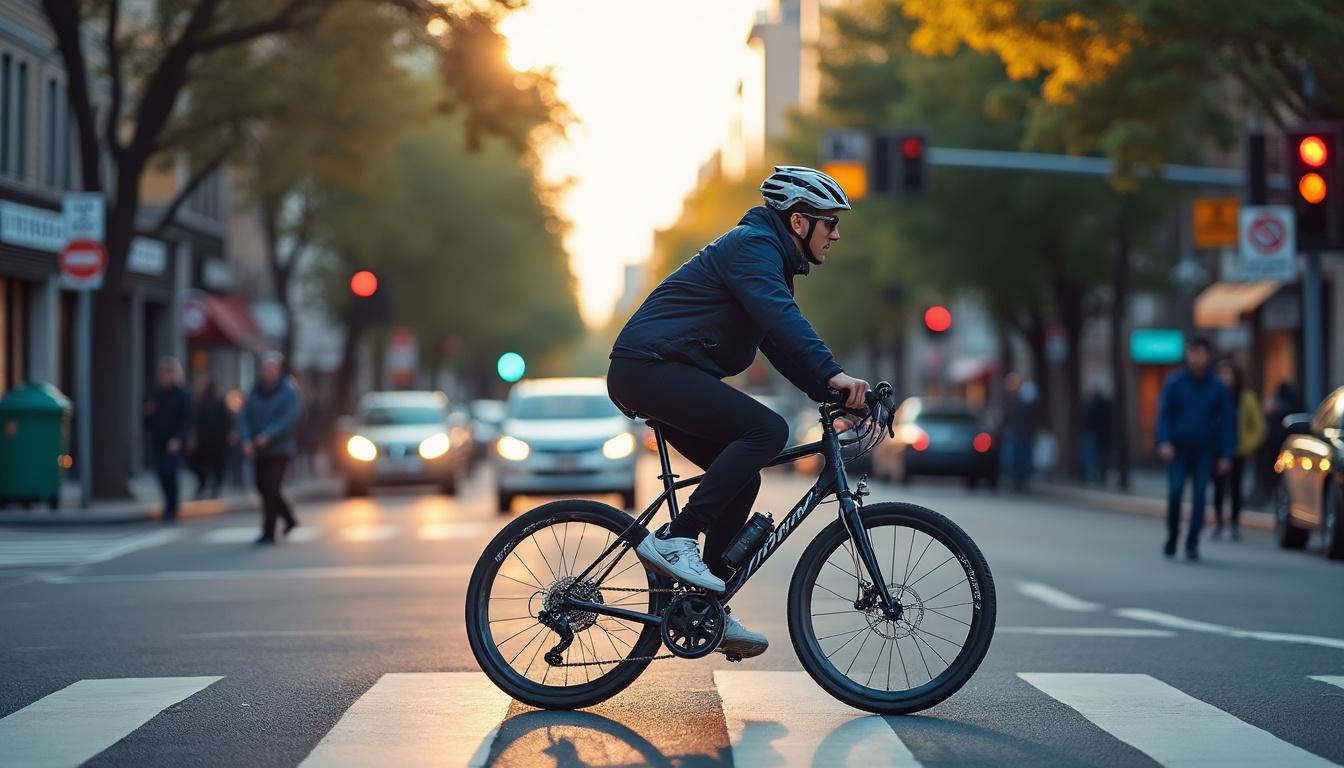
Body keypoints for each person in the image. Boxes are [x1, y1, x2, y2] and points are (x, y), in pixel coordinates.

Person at [607, 166, 868, 659]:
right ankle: (676, 539)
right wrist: (834, 373)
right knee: (768, 428)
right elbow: (780, 318)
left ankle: (709, 606)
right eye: (829, 222)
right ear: (798, 221)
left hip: (661, 371)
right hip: (646, 369)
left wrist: (828, 390)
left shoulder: (767, 261)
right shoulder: (753, 248)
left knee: (744, 477)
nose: (836, 233)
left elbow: (779, 343)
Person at [1156, 337, 1234, 560]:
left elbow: (1228, 421)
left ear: (1208, 355)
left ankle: (1192, 542)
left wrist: (1226, 454)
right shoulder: (1175, 382)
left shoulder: (1217, 387)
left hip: (1204, 450)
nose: (1195, 358)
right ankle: (1172, 536)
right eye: (1192, 352)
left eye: (1199, 353)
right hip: (1178, 448)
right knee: (1176, 491)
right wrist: (1164, 441)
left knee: (1200, 496)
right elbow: (1164, 415)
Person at [238, 351, 302, 544]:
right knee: (261, 486)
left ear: (279, 370)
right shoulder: (254, 391)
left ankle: (268, 531)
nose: (269, 371)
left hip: (280, 448)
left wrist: (269, 435)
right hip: (259, 448)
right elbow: (243, 417)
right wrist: (246, 440)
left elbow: (289, 419)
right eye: (266, 367)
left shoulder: (288, 391)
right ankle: (289, 518)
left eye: (272, 367)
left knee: (271, 487)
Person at [1211, 359, 1265, 540]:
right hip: (1216, 449)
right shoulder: (1214, 395)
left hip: (1237, 450)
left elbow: (1259, 428)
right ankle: (1218, 522)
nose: (1225, 378)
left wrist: (1245, 445)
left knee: (1235, 487)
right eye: (1222, 374)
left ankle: (1234, 523)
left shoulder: (1246, 397)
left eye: (1228, 373)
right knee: (1218, 487)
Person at [143, 357, 193, 522]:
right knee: (161, 473)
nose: (167, 376)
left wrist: (179, 438)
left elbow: (187, 419)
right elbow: (147, 419)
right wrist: (148, 414)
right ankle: (168, 504)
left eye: (170, 372)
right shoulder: (156, 393)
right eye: (164, 373)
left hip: (174, 441)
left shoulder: (183, 394)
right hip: (158, 439)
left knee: (170, 471)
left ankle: (173, 505)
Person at [189, 373, 232, 499]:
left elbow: (226, 420)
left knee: (217, 464)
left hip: (217, 440)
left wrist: (228, 434)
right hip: (202, 439)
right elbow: (194, 420)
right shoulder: (198, 401)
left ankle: (216, 486)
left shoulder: (219, 401)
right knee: (197, 463)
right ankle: (202, 484)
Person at [1080, 383, 1113, 485]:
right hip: (1097, 433)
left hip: (1094, 433)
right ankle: (1095, 475)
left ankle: (1093, 475)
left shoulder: (1096, 403)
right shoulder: (1097, 403)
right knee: (1095, 455)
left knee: (1093, 456)